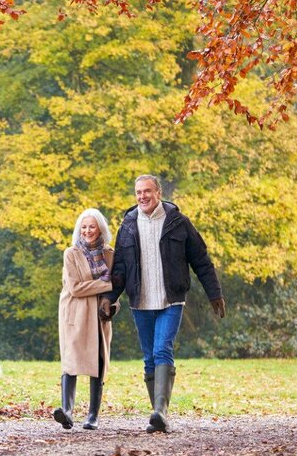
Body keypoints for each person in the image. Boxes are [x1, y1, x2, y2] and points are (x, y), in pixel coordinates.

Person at [100, 175, 225, 434]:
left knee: (162, 349)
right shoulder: (129, 225)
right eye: (138, 192)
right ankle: (157, 415)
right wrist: (110, 299)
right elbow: (120, 269)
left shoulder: (178, 223)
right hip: (140, 301)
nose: (142, 196)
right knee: (149, 358)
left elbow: (201, 259)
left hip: (171, 299)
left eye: (147, 191)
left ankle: (161, 412)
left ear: (158, 192)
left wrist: (215, 293)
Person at [54, 208, 121, 431]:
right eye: (83, 227)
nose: (87, 231)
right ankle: (67, 411)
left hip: (99, 315)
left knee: (99, 362)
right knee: (71, 361)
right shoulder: (71, 253)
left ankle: (93, 415)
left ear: (100, 228)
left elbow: (117, 290)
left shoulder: (111, 254)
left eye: (92, 226)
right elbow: (75, 288)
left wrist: (113, 303)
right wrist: (108, 284)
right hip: (75, 312)